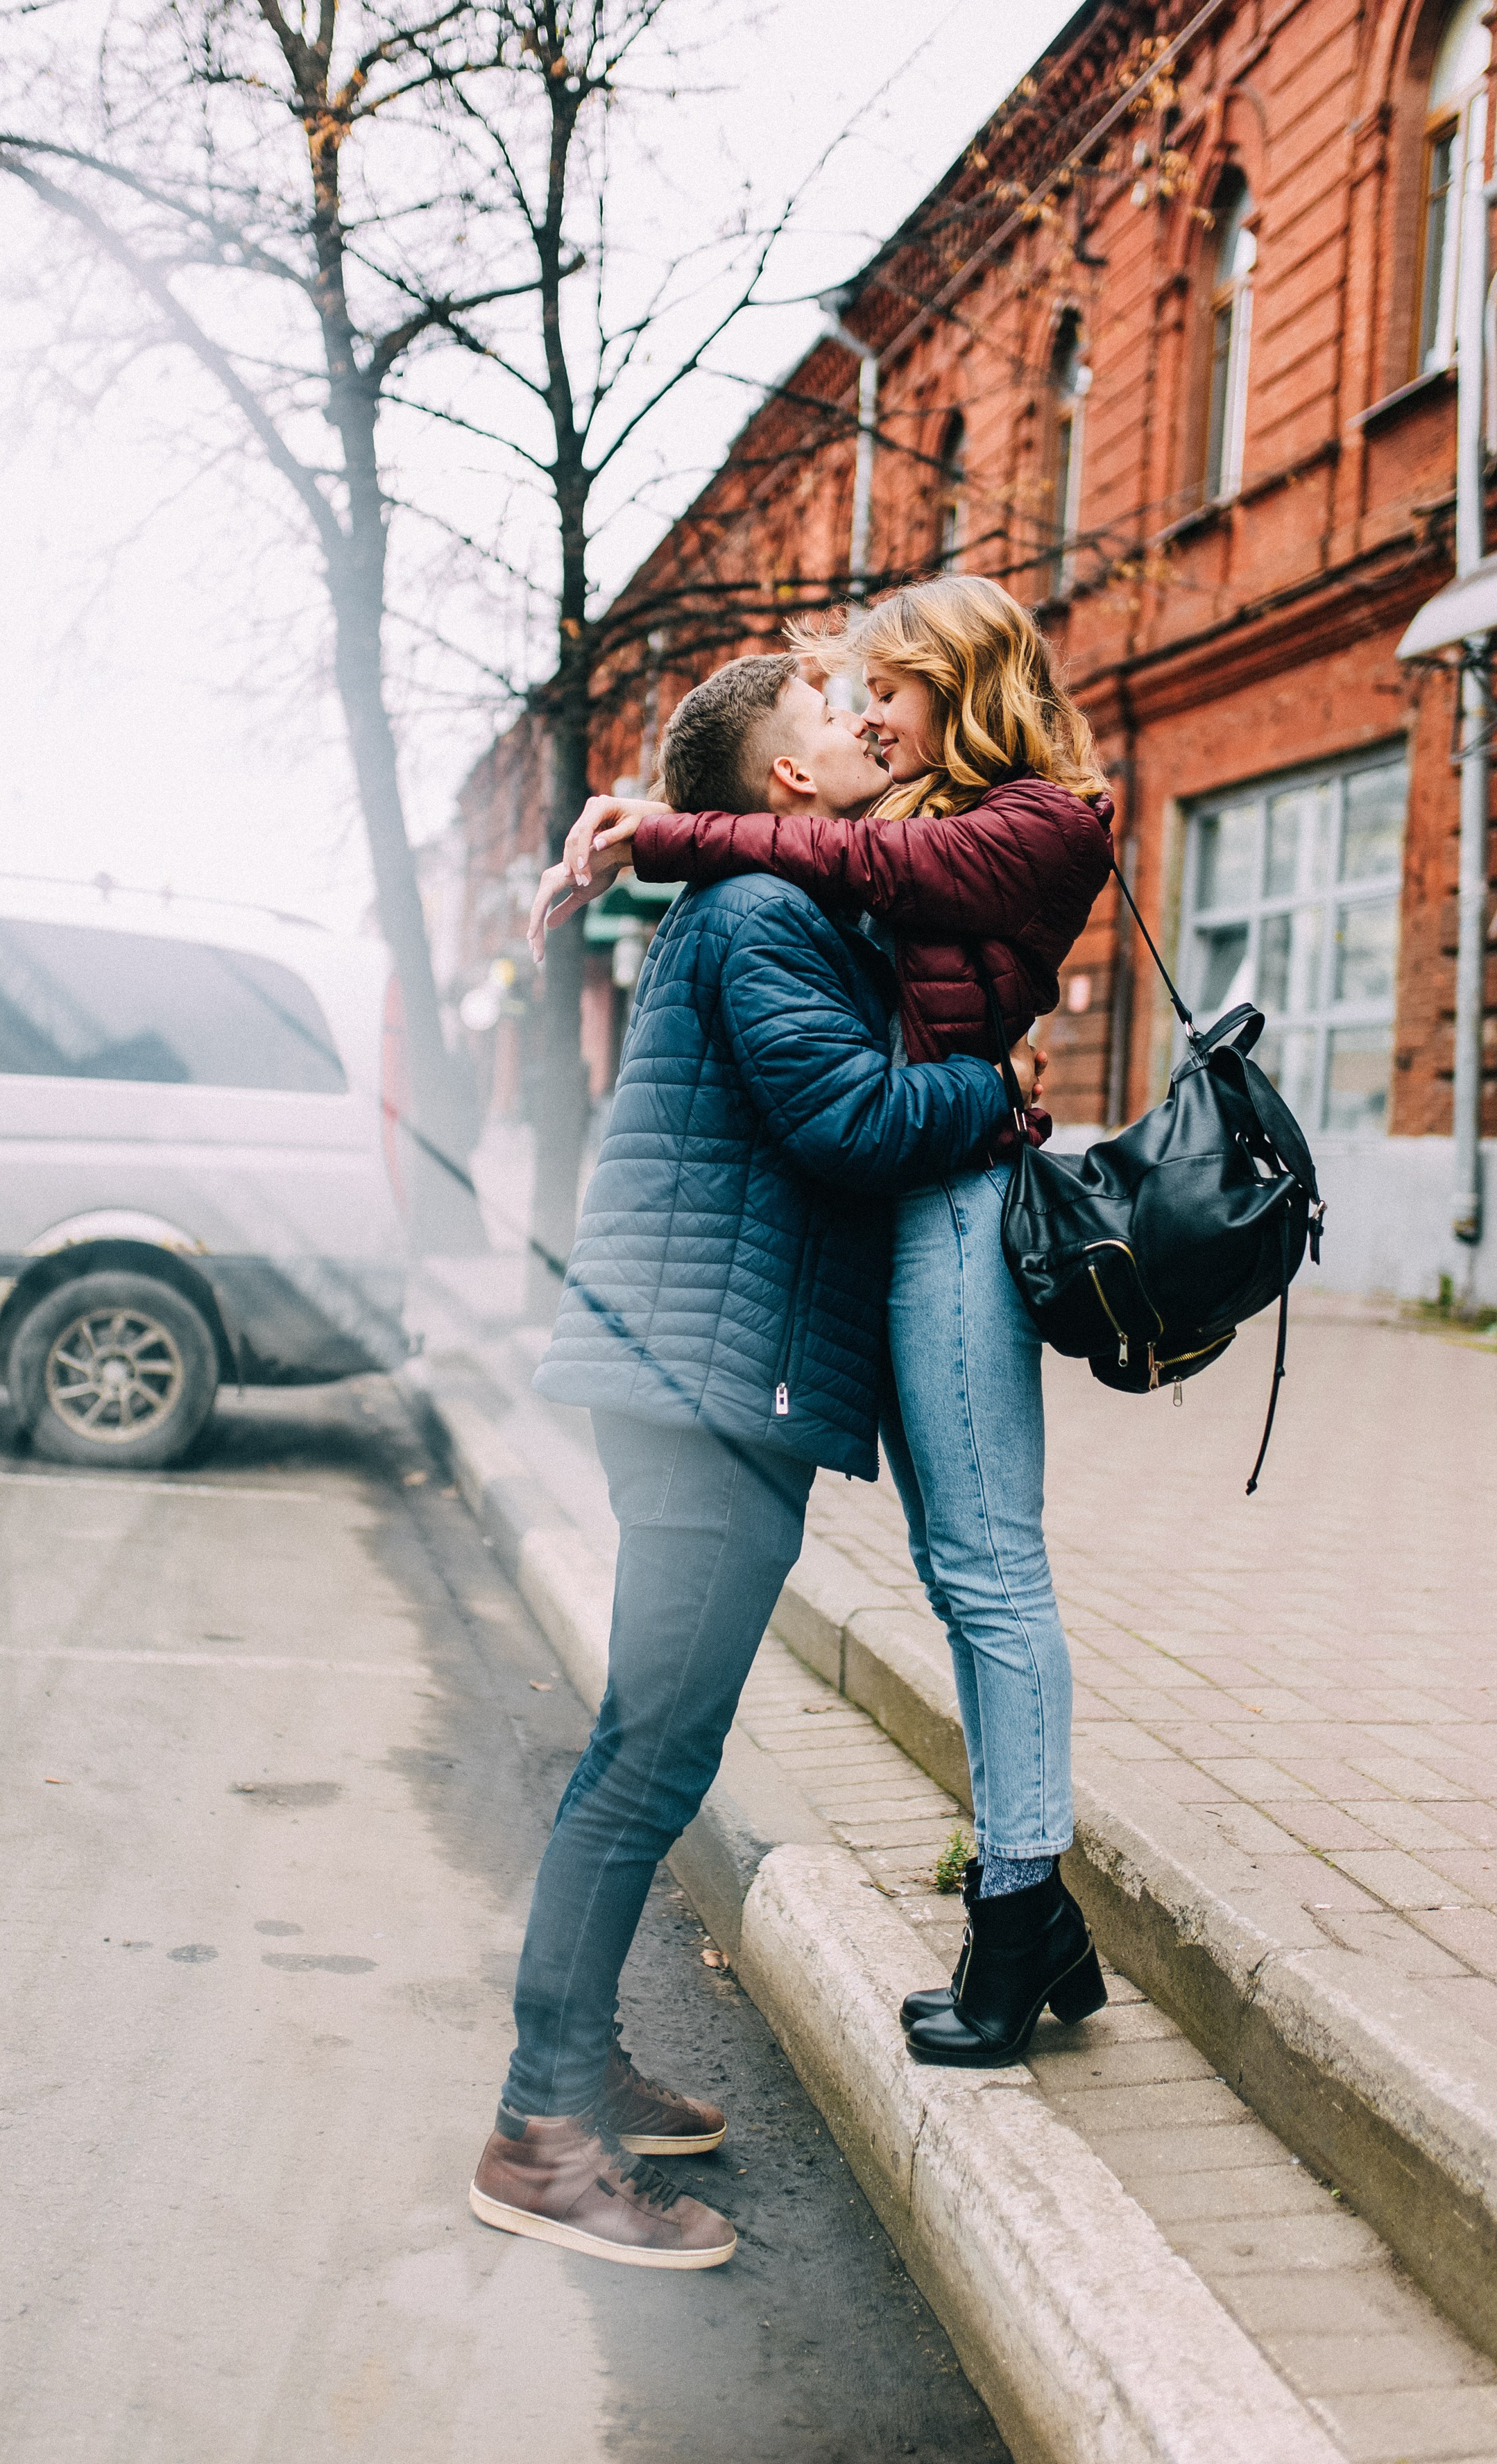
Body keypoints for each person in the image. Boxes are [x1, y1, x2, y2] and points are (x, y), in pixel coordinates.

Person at [472, 651, 1034, 2273]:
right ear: (782, 783)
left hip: (708, 1373)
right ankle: (539, 2130)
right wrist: (990, 1100)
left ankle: (574, 2072)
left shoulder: (764, 900)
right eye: (824, 720)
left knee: (653, 1748)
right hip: (706, 1384)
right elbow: (851, 1121)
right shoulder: (763, 917)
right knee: (647, 1754)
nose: (860, 727)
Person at [542, 576, 1115, 2069]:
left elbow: (827, 870)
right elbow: (811, 896)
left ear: (959, 680)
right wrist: (652, 828)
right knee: (929, 1581)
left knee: (984, 1566)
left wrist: (647, 833)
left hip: (951, 1212)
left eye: (886, 686)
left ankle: (1017, 1906)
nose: (864, 709)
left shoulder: (1034, 821)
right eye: (838, 700)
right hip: (853, 1249)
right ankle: (556, 2081)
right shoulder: (841, 871)